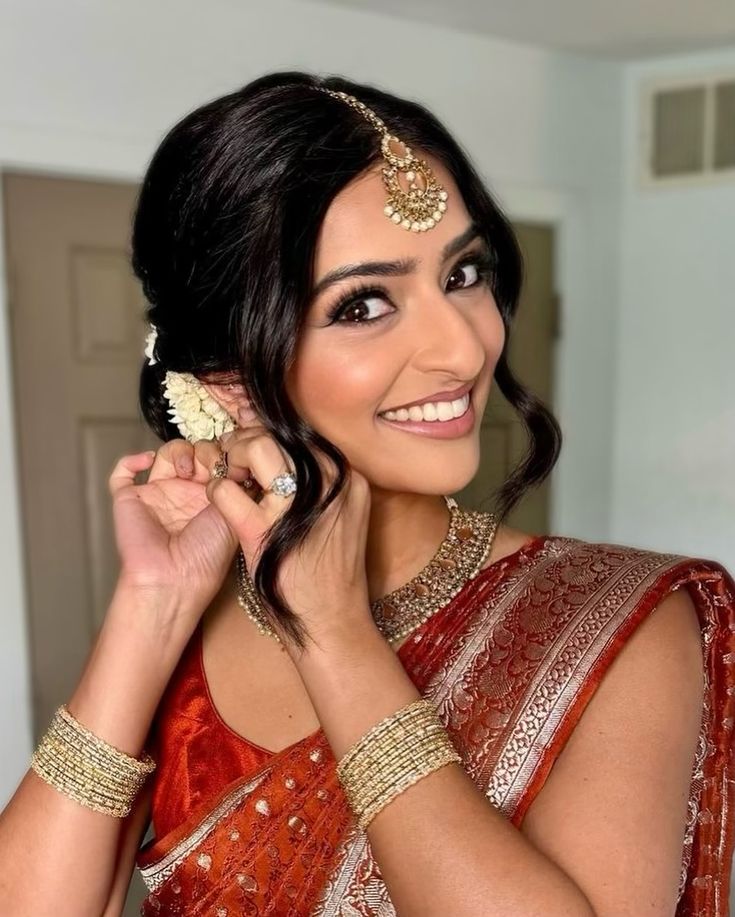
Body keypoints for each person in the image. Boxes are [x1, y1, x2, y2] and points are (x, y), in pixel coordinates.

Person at [0, 71, 733, 917]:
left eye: (463, 274)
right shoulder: (189, 624)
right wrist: (154, 605)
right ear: (228, 379)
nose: (461, 349)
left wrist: (337, 634)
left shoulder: (616, 624)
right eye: (365, 304)